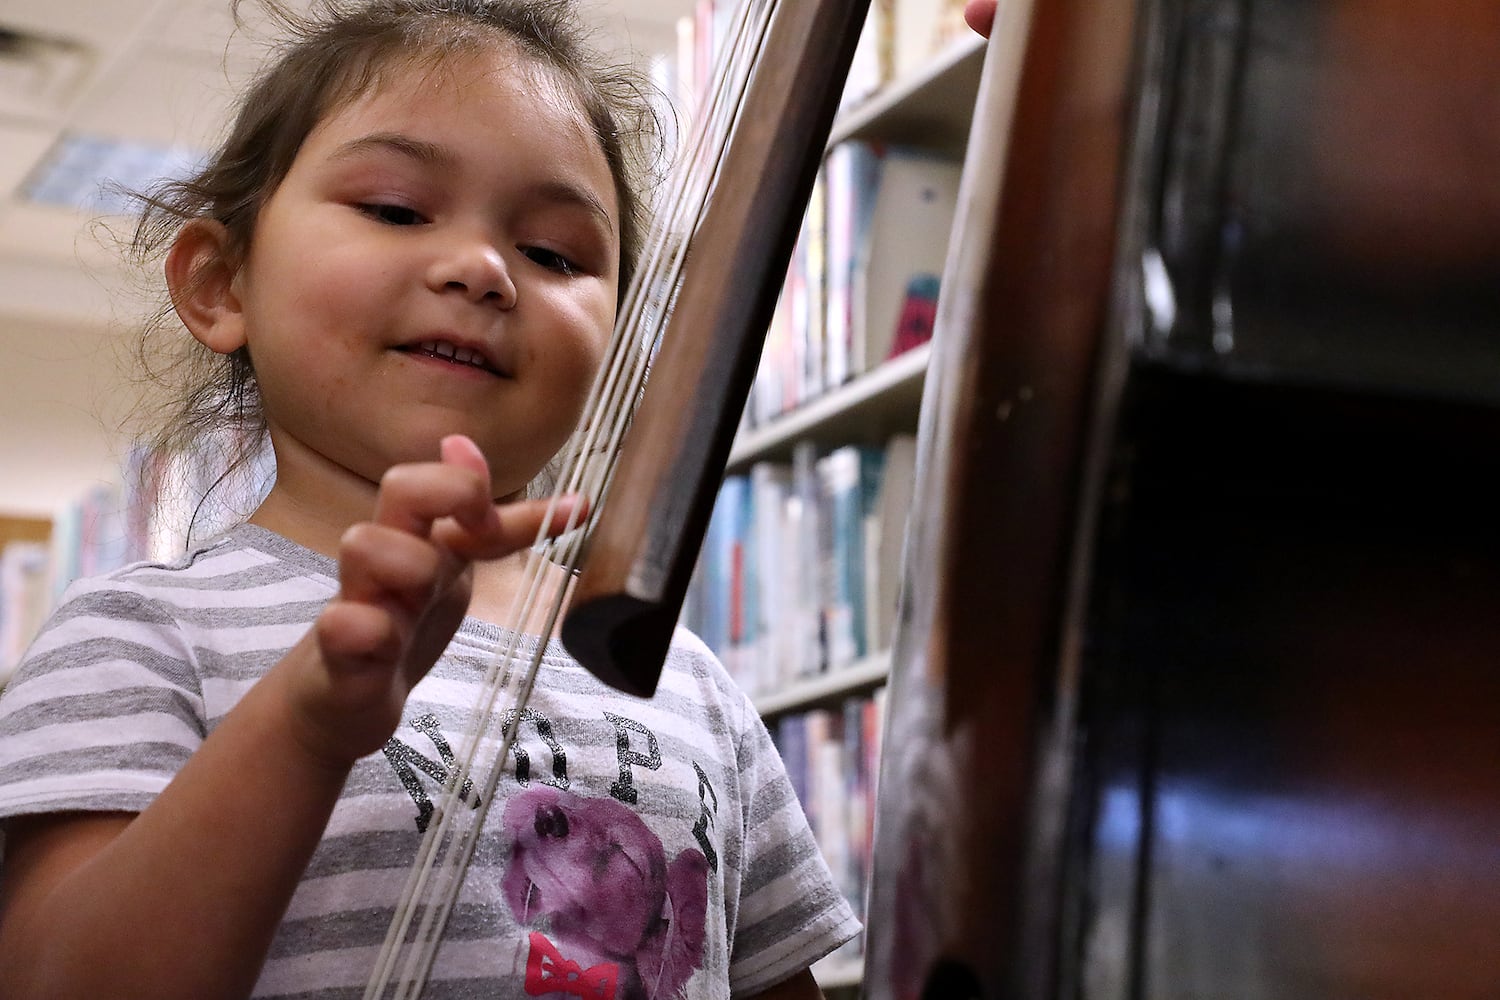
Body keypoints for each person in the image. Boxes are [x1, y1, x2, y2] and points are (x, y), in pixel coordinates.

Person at [0, 2, 861, 997]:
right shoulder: (133, 636)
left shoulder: (683, 676)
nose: (483, 269)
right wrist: (308, 723)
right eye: (397, 210)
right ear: (221, 283)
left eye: (553, 253)